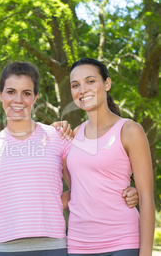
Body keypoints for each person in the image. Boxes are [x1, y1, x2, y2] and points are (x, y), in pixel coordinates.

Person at [0, 62, 139, 256]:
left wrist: (127, 192)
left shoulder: (57, 137)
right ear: (0, 94)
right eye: (11, 92)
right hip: (1, 247)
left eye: (27, 93)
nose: (18, 99)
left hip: (52, 246)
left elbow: (86, 186)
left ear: (35, 97)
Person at [65, 58, 155, 256]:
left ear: (107, 83)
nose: (82, 89)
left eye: (90, 81)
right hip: (78, 243)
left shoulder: (129, 130)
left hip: (122, 241)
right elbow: (77, 189)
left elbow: (146, 197)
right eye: (75, 85)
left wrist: (146, 252)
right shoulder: (74, 134)